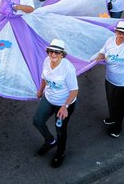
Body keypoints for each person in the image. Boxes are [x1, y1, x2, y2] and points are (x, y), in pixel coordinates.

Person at [33, 39, 78, 168]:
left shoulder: (68, 68)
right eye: (51, 51)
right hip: (49, 98)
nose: (53, 54)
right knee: (37, 121)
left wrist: (65, 107)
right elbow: (44, 78)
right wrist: (40, 90)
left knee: (60, 130)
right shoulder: (47, 61)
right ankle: (50, 141)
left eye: (57, 52)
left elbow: (74, 90)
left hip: (64, 103)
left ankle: (60, 153)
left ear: (62, 54)